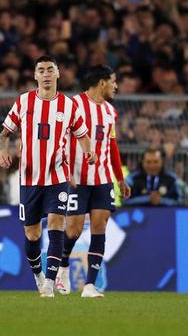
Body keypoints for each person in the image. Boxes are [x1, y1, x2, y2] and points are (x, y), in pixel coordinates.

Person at [0, 55, 96, 298]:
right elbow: (5, 133)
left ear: (57, 74)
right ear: (35, 76)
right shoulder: (23, 102)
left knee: (56, 225)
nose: (45, 74)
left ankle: (50, 283)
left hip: (58, 177)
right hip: (29, 179)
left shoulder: (69, 105)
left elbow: (82, 134)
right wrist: (3, 149)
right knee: (32, 235)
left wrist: (88, 152)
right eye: (40, 70)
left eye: (49, 69)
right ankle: (38, 274)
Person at [54, 65, 131, 298]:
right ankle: (63, 266)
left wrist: (120, 179)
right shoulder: (73, 106)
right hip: (77, 178)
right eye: (113, 81)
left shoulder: (110, 112)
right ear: (101, 82)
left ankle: (89, 285)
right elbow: (60, 140)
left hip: (103, 178)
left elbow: (112, 146)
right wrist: (65, 169)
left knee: (99, 227)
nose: (116, 86)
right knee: (74, 230)